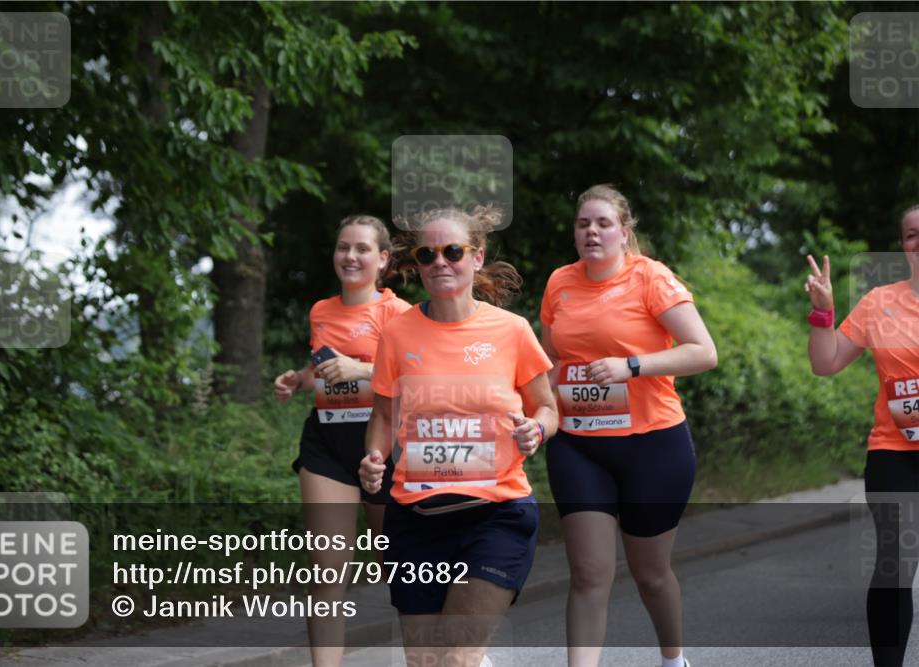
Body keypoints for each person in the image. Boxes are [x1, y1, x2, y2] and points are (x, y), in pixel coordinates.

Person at [358, 206, 558, 667]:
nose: (440, 263)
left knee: (457, 659)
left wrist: (537, 429)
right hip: (415, 519)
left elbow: (548, 407)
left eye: (452, 251)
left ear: (477, 257)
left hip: (496, 514)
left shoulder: (510, 331)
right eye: (428, 254)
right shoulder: (397, 332)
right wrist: (373, 456)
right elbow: (384, 416)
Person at [540, 185, 717, 667]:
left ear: (624, 231)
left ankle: (672, 659)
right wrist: (527, 405)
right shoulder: (560, 283)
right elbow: (549, 360)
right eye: (583, 224)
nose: (591, 232)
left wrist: (631, 366)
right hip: (579, 445)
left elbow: (703, 352)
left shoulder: (651, 279)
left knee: (651, 573)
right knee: (588, 573)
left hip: (653, 445)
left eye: (602, 223)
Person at [274, 214, 410, 667]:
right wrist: (298, 379)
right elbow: (323, 364)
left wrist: (364, 370)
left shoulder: (399, 313)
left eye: (362, 249)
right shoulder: (321, 310)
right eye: (342, 247)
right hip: (327, 443)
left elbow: (420, 374)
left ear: (383, 259)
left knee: (403, 571)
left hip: (383, 444)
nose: (350, 256)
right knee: (326, 573)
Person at [805, 204, 919, 667]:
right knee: (896, 564)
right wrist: (823, 312)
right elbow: (825, 363)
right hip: (895, 452)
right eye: (912, 235)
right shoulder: (879, 302)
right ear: (903, 246)